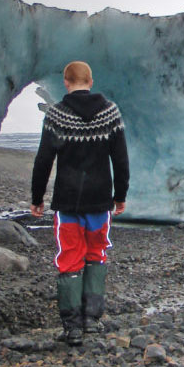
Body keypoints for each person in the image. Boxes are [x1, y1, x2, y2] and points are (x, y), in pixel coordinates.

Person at [30, 61, 129, 346]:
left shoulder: (56, 115)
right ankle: (92, 321)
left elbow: (43, 160)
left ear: (65, 82)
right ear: (91, 80)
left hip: (68, 204)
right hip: (100, 203)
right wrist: (120, 196)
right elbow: (120, 160)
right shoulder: (111, 112)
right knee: (96, 254)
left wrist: (37, 198)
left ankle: (72, 327)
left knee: (69, 258)